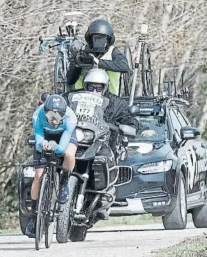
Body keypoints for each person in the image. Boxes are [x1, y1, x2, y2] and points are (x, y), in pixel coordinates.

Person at [63, 68, 155, 219]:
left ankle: (105, 194)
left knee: (104, 159)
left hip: (103, 143)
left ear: (105, 88)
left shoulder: (116, 103)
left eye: (98, 88)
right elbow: (59, 108)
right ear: (85, 86)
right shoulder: (73, 97)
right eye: (91, 87)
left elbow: (129, 119)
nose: (94, 91)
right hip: (77, 140)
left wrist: (133, 128)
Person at [25, 95, 78, 238]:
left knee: (69, 154)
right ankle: (34, 216)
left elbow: (61, 148)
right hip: (45, 135)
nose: (54, 119)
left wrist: (56, 147)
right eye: (50, 114)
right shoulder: (37, 115)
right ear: (45, 111)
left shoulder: (70, 118)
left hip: (63, 137)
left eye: (59, 115)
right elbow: (38, 140)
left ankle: (65, 181)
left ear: (64, 113)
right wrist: (42, 144)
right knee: (38, 175)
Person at [66, 19, 131, 95]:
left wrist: (99, 62)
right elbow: (70, 80)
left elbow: (125, 67)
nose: (99, 41)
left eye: (102, 38)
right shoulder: (82, 51)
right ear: (91, 39)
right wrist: (77, 64)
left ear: (108, 40)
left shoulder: (112, 51)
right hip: (82, 97)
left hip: (109, 98)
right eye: (96, 38)